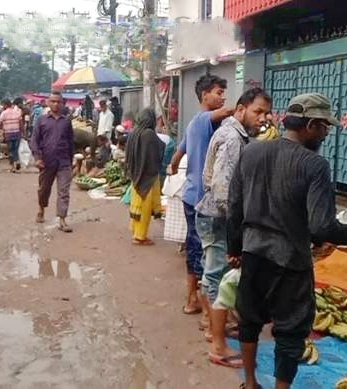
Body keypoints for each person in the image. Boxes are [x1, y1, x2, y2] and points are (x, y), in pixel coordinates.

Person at [228, 93, 347, 389]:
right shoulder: (314, 165)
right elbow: (321, 226)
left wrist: (234, 248)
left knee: (250, 320)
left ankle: (251, 383)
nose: (326, 134)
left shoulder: (253, 152)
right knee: (291, 331)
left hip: (253, 252)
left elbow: (234, 206)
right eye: (324, 127)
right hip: (290, 262)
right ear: (312, 125)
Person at [196, 88, 272, 368]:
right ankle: (218, 346)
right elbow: (222, 188)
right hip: (219, 217)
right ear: (240, 109)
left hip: (212, 213)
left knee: (213, 272)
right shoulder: (232, 138)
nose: (263, 118)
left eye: (266, 112)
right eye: (258, 111)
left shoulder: (237, 135)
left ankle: (211, 325)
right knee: (217, 276)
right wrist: (237, 228)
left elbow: (210, 177)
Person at [168, 75, 234, 318]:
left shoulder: (194, 124)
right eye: (218, 92)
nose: (222, 97)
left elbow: (179, 152)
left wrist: (174, 167)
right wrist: (243, 110)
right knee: (203, 252)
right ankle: (202, 307)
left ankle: (195, 299)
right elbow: (223, 113)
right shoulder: (204, 119)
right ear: (204, 95)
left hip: (194, 194)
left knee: (200, 249)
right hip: (200, 199)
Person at [32, 91, 75, 233]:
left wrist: (71, 160)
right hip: (46, 161)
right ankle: (41, 209)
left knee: (64, 191)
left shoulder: (66, 121)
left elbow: (70, 142)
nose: (56, 104)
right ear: (48, 103)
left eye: (58, 102)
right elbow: (35, 141)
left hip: (64, 162)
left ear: (62, 104)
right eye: (53, 101)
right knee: (44, 189)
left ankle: (62, 219)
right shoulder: (41, 120)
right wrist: (37, 158)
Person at [126, 108, 164, 245]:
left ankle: (135, 231)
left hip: (136, 174)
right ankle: (140, 236)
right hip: (147, 176)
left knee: (137, 206)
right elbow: (159, 149)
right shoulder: (149, 134)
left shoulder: (134, 132)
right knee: (145, 208)